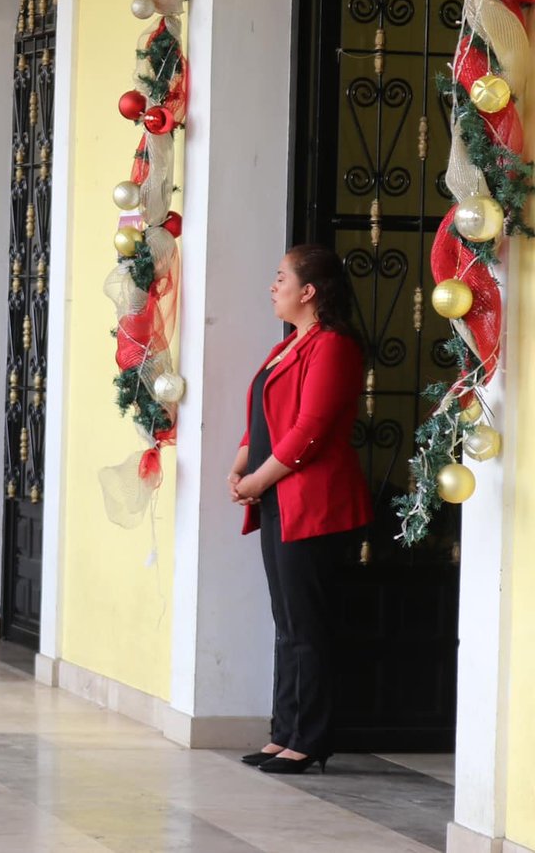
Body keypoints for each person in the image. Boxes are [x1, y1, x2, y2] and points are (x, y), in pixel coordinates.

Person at [230, 244, 369, 775]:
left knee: (307, 624)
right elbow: (261, 418)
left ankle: (309, 739)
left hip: (313, 503)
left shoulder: (333, 346)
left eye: (280, 277)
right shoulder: (288, 346)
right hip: (277, 499)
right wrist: (240, 468)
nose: (272, 286)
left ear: (309, 292)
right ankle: (283, 731)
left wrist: (257, 480)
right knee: (287, 621)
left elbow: (308, 430)